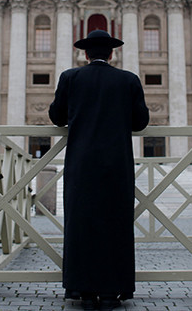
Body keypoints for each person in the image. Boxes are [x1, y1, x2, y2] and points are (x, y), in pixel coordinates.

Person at [49, 30, 149, 311]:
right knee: (115, 224)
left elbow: (56, 115)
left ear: (85, 54)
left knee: (81, 224)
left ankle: (81, 290)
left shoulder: (71, 78)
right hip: (117, 164)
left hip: (81, 163)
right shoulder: (128, 79)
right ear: (112, 54)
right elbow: (140, 121)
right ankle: (111, 293)